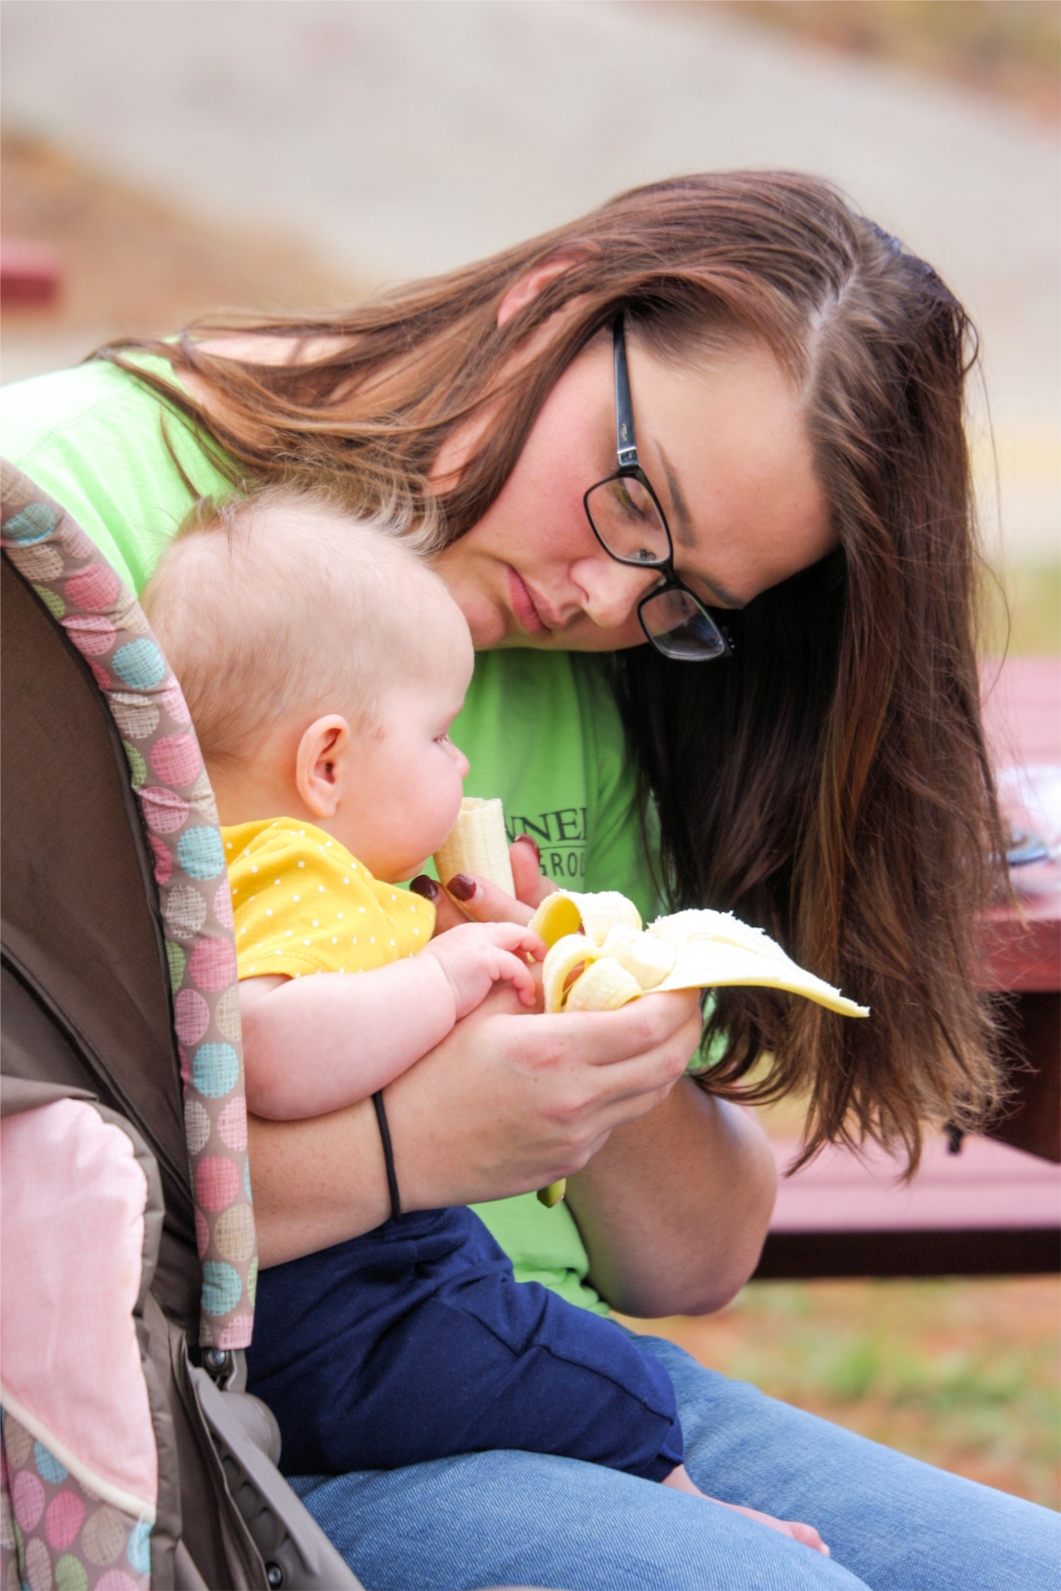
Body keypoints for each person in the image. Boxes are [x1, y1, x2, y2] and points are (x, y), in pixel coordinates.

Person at [1, 171, 1055, 1589]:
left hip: (535, 1364)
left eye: (687, 601)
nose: (606, 601)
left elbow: (688, 1260)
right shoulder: (67, 519)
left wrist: (592, 1057)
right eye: (635, 503)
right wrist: (409, 1144)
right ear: (552, 307)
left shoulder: (603, 672)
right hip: (198, 1430)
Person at [142, 485, 828, 1554]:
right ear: (326, 763)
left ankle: (686, 1514)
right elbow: (268, 1046)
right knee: (593, 1373)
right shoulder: (279, 867)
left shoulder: (236, 872)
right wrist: (446, 978)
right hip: (335, 1315)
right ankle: (696, 1514)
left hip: (329, 1306)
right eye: (438, 735)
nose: (461, 766)